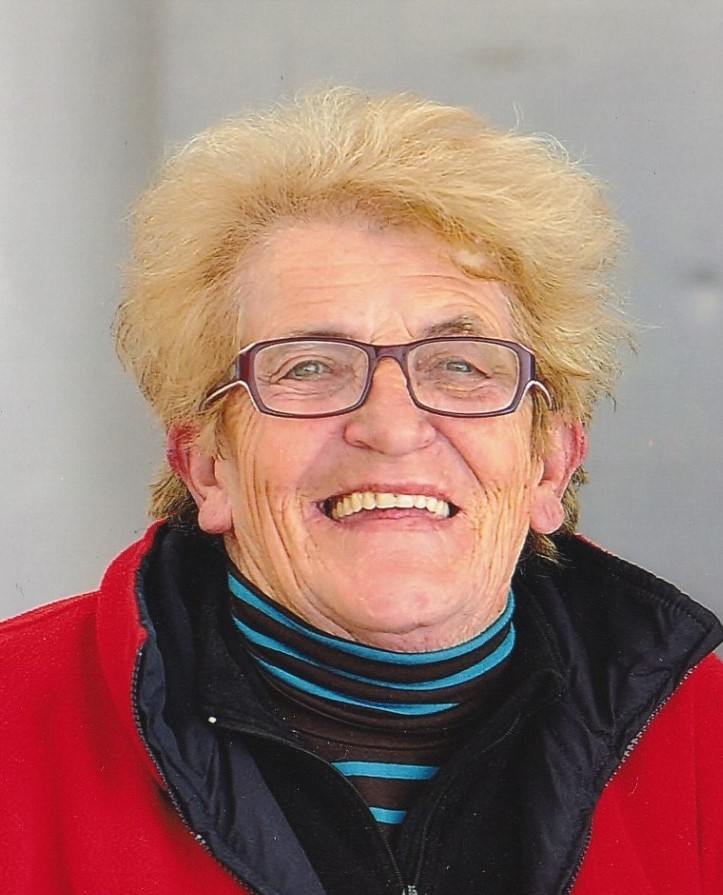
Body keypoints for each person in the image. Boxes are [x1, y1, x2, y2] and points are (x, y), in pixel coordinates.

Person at [1, 87, 721, 895]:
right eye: (309, 366)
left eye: (460, 365)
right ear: (205, 464)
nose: (392, 426)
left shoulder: (708, 744)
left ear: (549, 463)